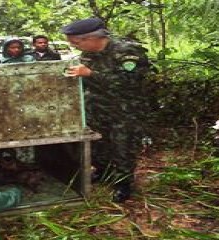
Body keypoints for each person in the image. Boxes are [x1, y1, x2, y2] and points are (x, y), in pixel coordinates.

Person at [61, 18, 150, 203]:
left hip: (124, 111)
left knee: (122, 146)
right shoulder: (88, 54)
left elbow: (129, 83)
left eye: (76, 43)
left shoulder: (127, 51)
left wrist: (91, 74)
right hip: (96, 109)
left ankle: (123, 183)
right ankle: (103, 172)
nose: (75, 47)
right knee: (99, 145)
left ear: (92, 38)